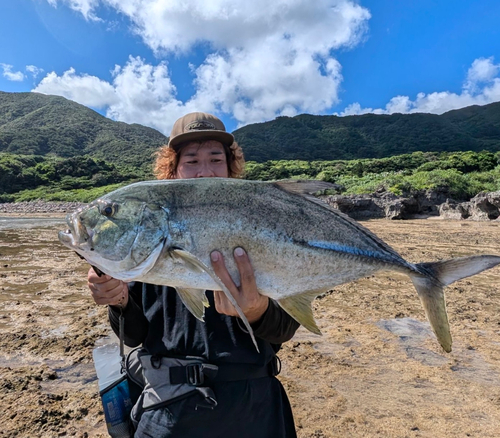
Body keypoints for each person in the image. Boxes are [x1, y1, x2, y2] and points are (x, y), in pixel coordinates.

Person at [87, 112, 300, 437]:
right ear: (173, 170)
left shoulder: (261, 228)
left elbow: (285, 328)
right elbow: (133, 336)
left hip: (254, 407)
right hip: (169, 412)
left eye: (216, 159)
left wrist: (257, 311)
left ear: (230, 168)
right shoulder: (148, 236)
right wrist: (119, 302)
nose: (204, 171)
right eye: (192, 161)